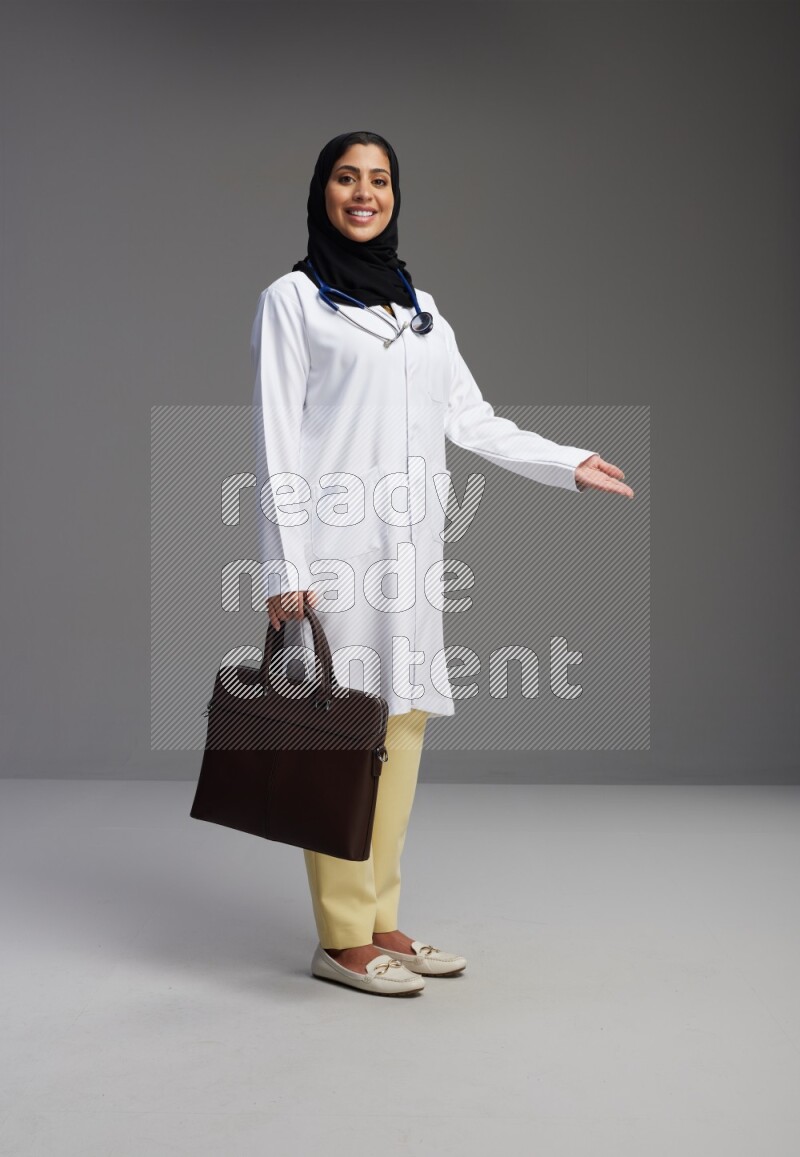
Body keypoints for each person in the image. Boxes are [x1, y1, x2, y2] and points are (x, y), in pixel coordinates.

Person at [251, 130, 633, 997]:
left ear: (395, 196)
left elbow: (474, 418)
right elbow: (275, 439)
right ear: (322, 193)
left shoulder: (422, 313)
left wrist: (563, 461)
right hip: (336, 558)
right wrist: (284, 566)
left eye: (379, 180)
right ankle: (342, 937)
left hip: (414, 558)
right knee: (340, 738)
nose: (364, 193)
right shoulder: (292, 302)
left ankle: (383, 919)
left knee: (401, 734)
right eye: (347, 179)